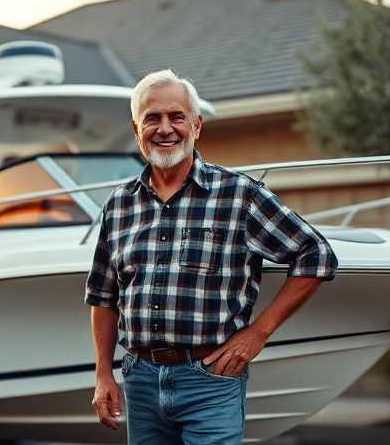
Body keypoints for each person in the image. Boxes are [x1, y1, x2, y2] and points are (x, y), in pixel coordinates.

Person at [85, 69, 338, 444]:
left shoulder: (239, 195)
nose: (165, 128)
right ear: (136, 129)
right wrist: (104, 374)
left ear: (197, 125)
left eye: (177, 117)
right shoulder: (119, 205)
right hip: (139, 379)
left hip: (210, 379)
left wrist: (258, 333)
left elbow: (315, 254)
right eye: (152, 118)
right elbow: (103, 296)